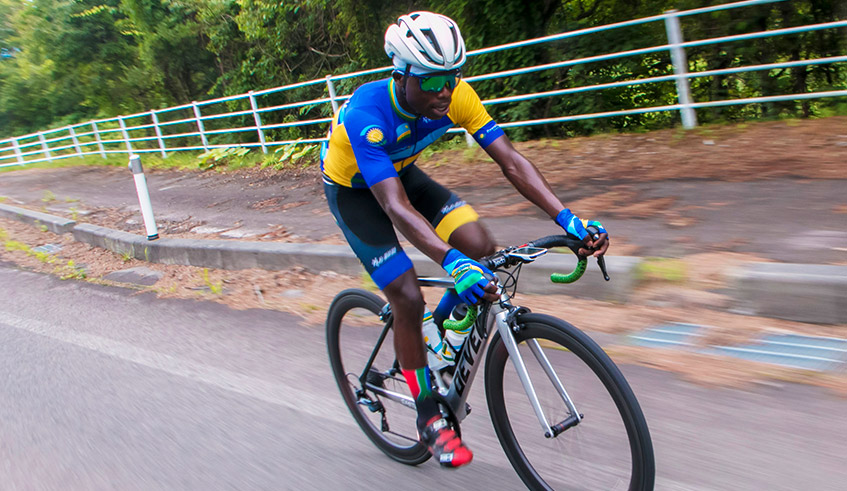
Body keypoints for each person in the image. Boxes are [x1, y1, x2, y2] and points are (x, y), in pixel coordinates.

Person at [321, 11, 609, 468]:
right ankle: (427, 415)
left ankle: (437, 334)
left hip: (401, 174)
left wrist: (570, 219)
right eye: (433, 79)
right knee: (407, 295)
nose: (444, 90)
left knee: (480, 244)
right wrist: (449, 261)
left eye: (453, 76)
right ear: (403, 74)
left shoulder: (456, 97)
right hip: (356, 192)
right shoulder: (367, 114)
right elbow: (396, 210)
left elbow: (510, 161)